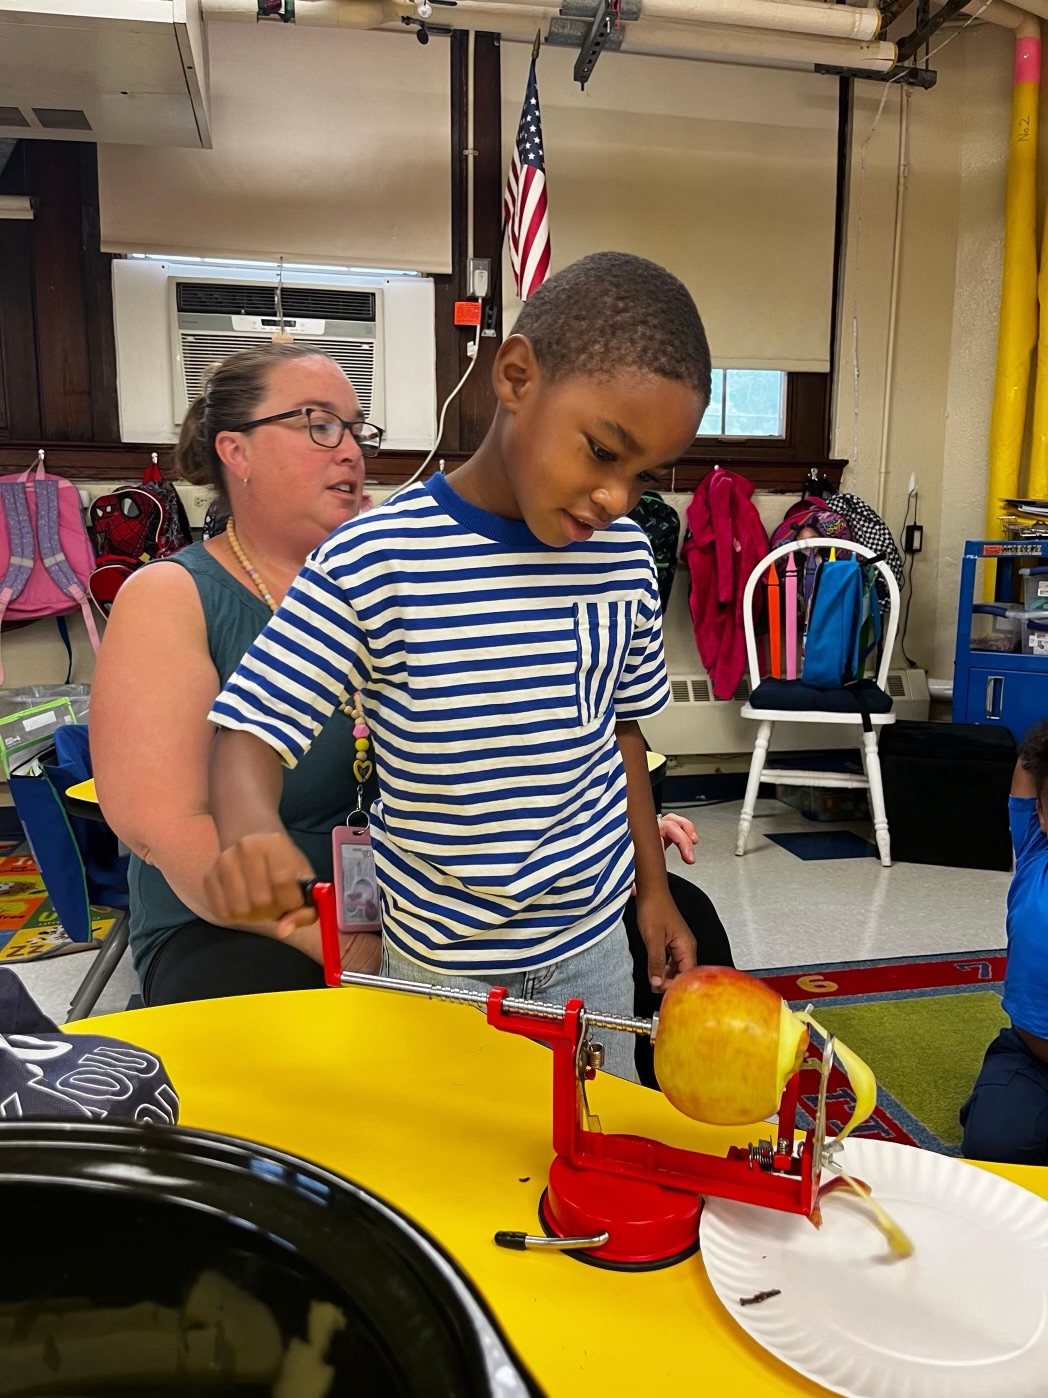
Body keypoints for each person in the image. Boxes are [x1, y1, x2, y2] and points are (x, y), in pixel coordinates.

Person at [202, 252, 711, 1081]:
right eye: (601, 452)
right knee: (455, 1144)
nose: (617, 498)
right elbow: (251, 728)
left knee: (594, 1138)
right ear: (517, 377)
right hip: (443, 969)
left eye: (643, 474)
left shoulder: (623, 558)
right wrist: (251, 829)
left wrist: (651, 893)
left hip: (591, 950)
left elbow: (620, 733)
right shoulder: (376, 557)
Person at [90, 344, 382, 1006]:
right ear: (236, 451)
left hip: (404, 901)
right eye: (319, 424)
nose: (350, 451)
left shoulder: (382, 585)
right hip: (233, 924)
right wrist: (345, 946)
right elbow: (168, 826)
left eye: (357, 430)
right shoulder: (170, 596)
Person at [961, 719, 1048, 1164]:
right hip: (1030, 1057)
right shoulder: (1035, 849)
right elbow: (1028, 764)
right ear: (1042, 813)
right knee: (991, 1147)